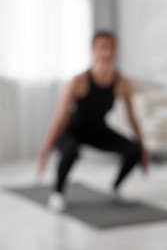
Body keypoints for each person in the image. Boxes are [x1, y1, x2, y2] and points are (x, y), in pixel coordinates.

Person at [37, 31, 149, 212]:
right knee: (71, 152)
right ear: (93, 50)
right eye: (102, 47)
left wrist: (144, 149)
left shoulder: (122, 83)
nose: (106, 52)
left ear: (116, 51)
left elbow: (132, 118)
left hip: (98, 130)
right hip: (72, 130)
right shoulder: (78, 81)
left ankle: (115, 189)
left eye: (110, 47)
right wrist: (44, 152)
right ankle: (57, 193)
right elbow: (60, 118)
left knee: (133, 150)